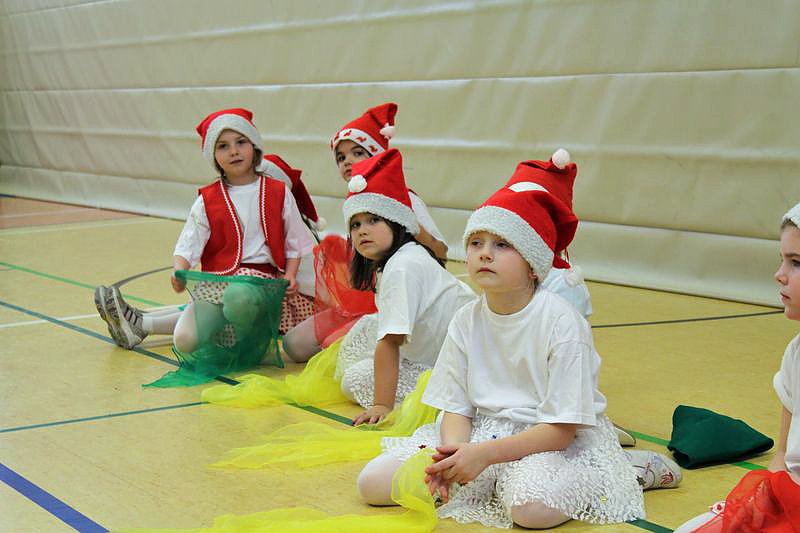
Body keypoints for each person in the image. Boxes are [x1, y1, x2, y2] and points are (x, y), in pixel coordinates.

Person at [356, 150, 680, 529]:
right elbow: (457, 406)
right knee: (373, 483)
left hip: (547, 441)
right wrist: (458, 453)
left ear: (533, 264)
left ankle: (625, 469)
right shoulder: (466, 319)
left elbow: (561, 430)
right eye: (476, 243)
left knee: (530, 511)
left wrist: (485, 456)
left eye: (502, 245)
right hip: (480, 433)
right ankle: (495, 479)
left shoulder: (562, 322)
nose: (484, 254)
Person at [95, 108, 318, 351]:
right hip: (218, 281)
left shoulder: (277, 193)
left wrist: (290, 274)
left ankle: (245, 345)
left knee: (238, 298)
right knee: (185, 341)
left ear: (254, 147)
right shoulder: (208, 199)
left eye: (241, 142)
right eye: (223, 146)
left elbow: (295, 243)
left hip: (259, 282)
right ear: (213, 155)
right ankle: (144, 324)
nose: (233, 151)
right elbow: (189, 241)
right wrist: (180, 269)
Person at [281, 102, 449, 362]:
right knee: (294, 344)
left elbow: (442, 254)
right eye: (341, 157)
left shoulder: (406, 200)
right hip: (363, 302)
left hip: (397, 301)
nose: (347, 161)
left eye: (357, 153)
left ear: (378, 156)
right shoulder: (355, 204)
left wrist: (413, 227)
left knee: (333, 350)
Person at [674, 202, 800, 532]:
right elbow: (783, 456)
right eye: (782, 259)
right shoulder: (796, 352)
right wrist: (757, 510)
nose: (779, 274)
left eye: (796, 263)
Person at [337, 148, 476, 425]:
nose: (362, 230)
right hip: (449, 348)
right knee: (364, 331)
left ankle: (438, 399)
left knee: (353, 379)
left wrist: (381, 405)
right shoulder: (405, 256)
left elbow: (391, 340)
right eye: (355, 224)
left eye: (373, 220)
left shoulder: (401, 267)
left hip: (459, 366)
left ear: (397, 222)